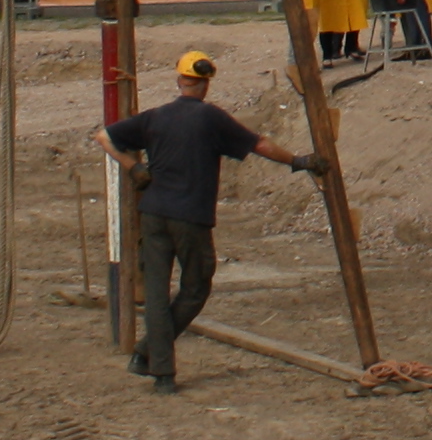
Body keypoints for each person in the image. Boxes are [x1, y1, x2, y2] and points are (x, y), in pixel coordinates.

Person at [98, 49, 304, 393]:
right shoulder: (212, 119)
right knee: (195, 288)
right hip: (190, 217)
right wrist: (299, 161)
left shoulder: (155, 117)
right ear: (206, 84)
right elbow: (261, 145)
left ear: (179, 81)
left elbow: (103, 137)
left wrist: (133, 167)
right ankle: (147, 351)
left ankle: (161, 372)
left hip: (153, 214)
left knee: (156, 296)